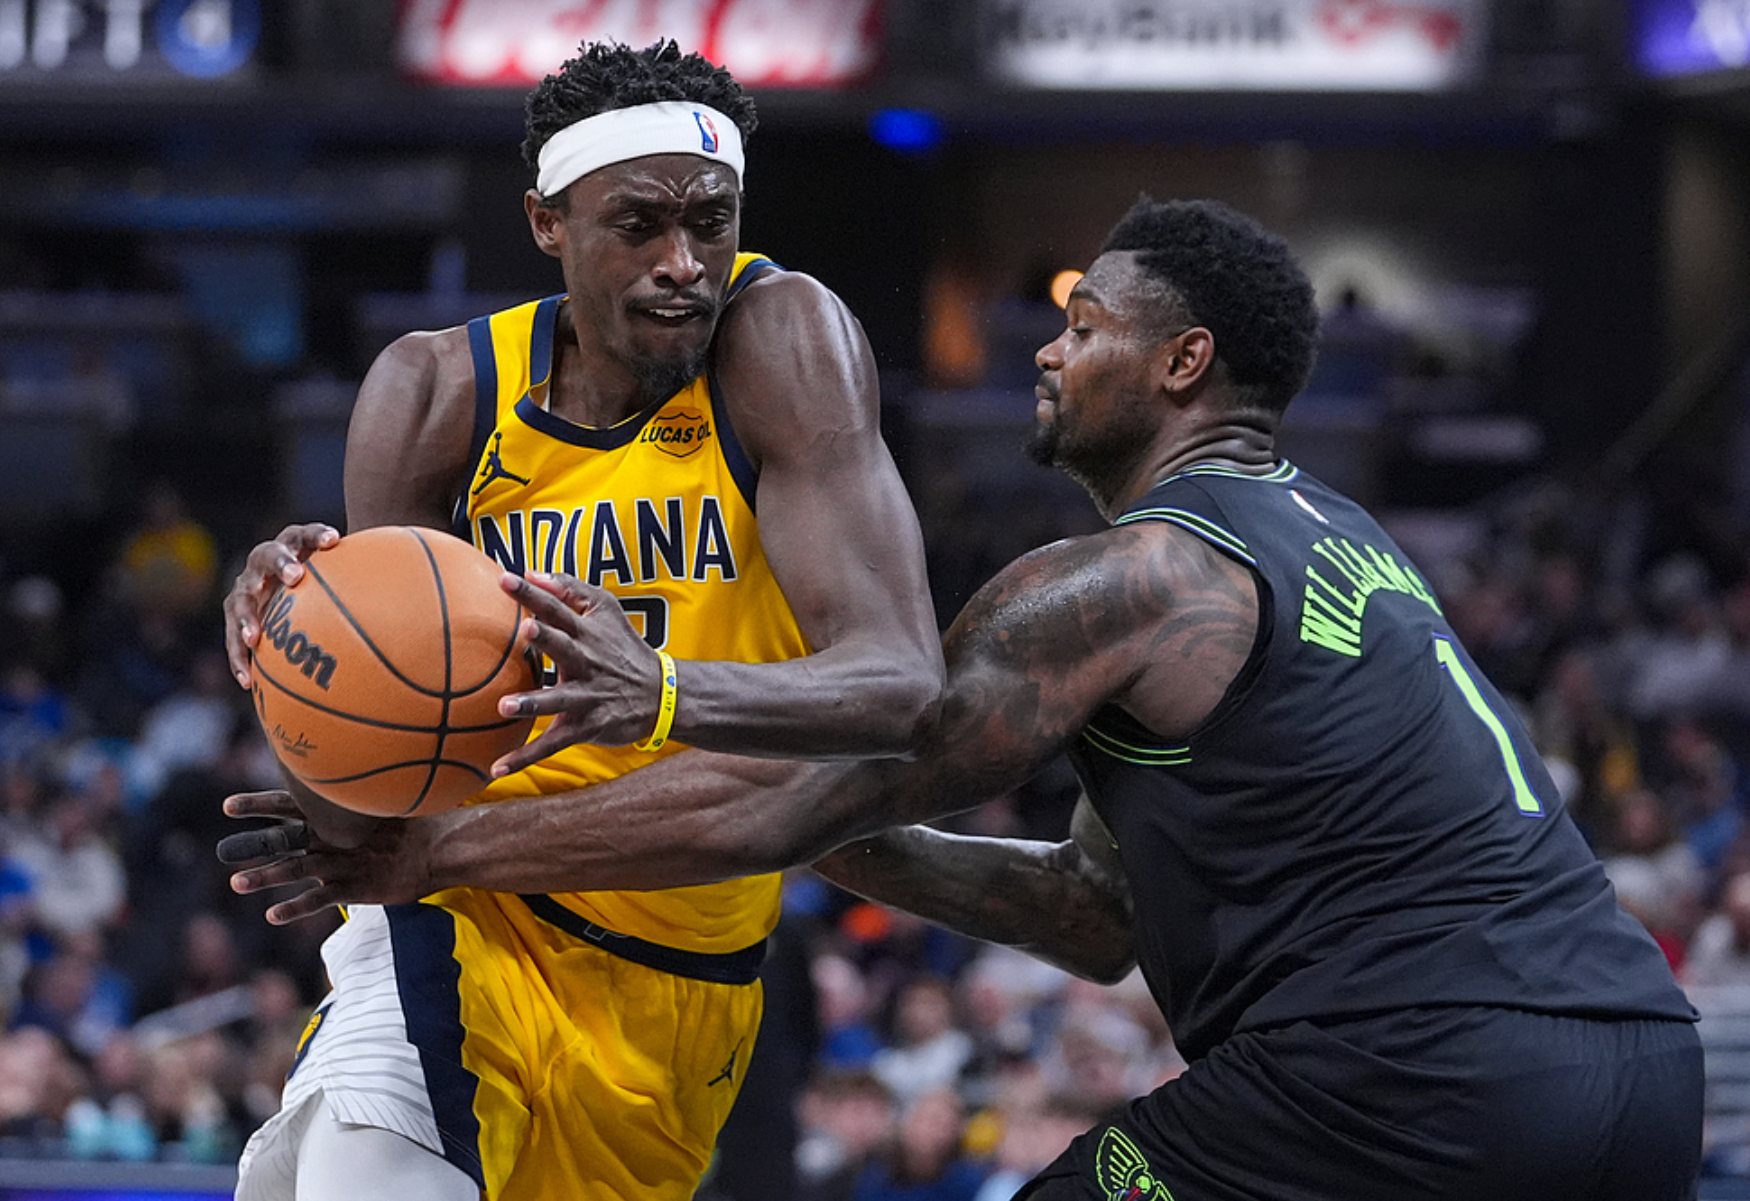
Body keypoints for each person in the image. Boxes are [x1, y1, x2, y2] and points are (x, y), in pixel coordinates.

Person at [224, 198, 1704, 1198]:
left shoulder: (1123, 581)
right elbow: (1093, 915)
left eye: (1085, 324)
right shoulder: (1344, 539)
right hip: (1635, 1066)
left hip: (1404, 1068)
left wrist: (440, 847)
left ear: (1182, 363)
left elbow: (819, 780)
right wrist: (819, 835)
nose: (1048, 349)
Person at [217, 38, 942, 1201]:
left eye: (711, 222)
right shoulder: (438, 392)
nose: (683, 264)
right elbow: (370, 811)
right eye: (638, 225)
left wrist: (661, 691)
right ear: (547, 222)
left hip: (687, 980)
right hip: (468, 928)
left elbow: (903, 688)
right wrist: (285, 646)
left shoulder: (779, 339)